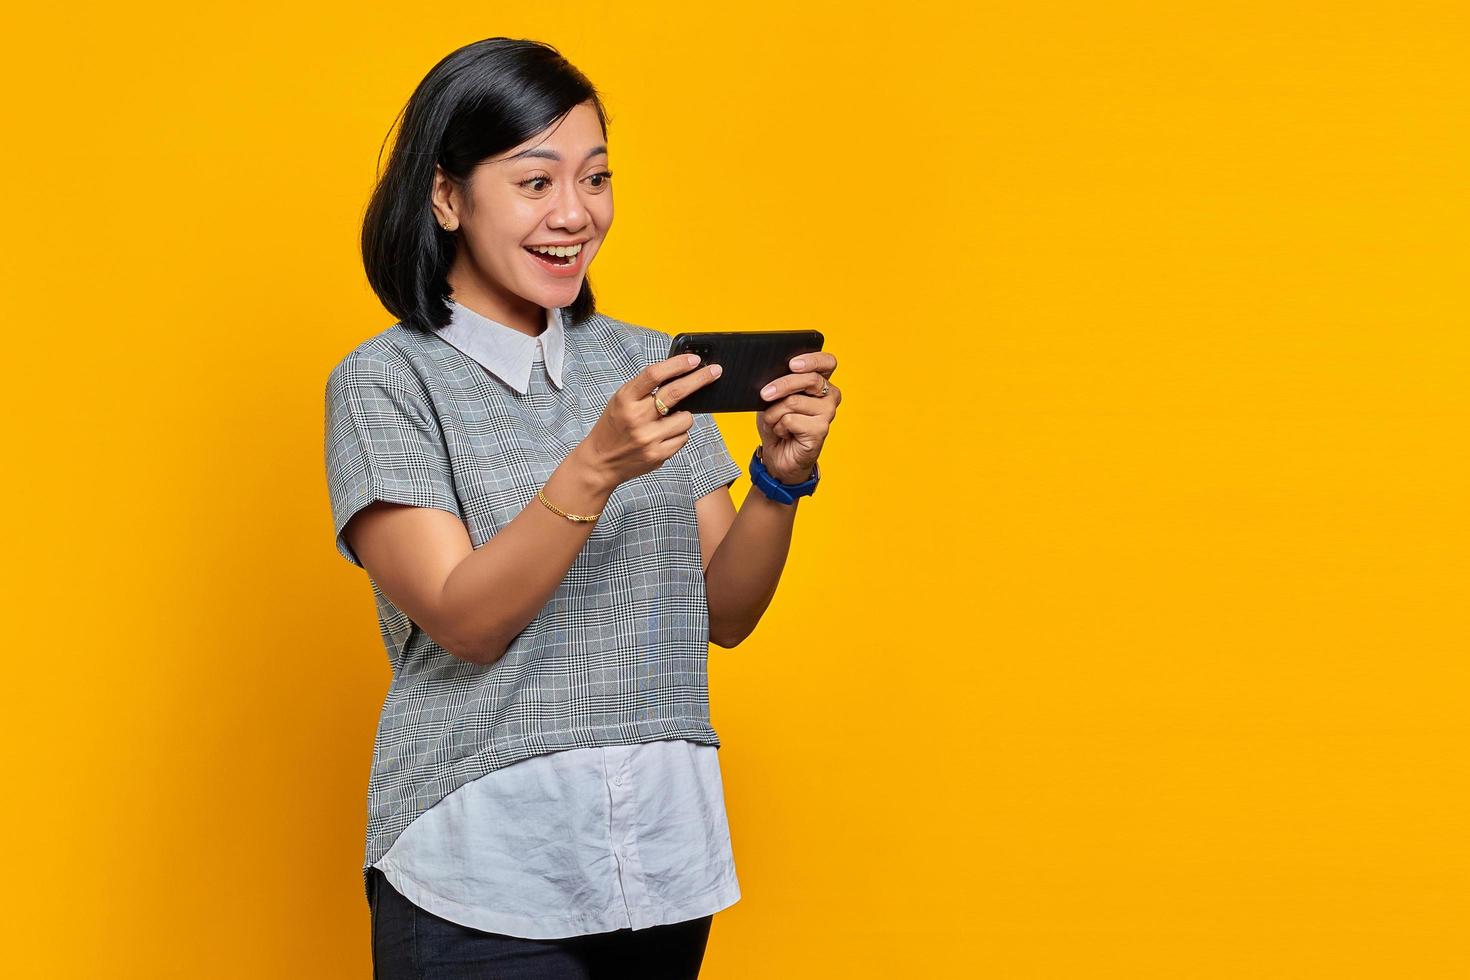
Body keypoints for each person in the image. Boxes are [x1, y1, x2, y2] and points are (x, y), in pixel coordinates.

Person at [323, 37, 842, 979]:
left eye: (596, 178)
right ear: (446, 196)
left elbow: (724, 613)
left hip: (661, 861)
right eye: (535, 182)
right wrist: (593, 467)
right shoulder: (384, 382)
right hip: (481, 873)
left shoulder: (639, 361)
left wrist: (779, 480)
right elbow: (464, 621)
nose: (575, 214)